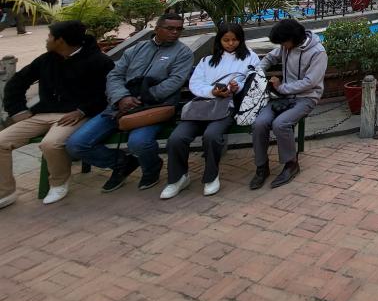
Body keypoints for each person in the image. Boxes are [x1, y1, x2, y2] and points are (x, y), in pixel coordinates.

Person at [66, 13, 193, 192]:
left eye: (179, 29)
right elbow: (115, 75)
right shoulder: (137, 49)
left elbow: (175, 81)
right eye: (170, 28)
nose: (175, 32)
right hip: (119, 107)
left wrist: (143, 98)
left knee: (139, 143)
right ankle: (122, 163)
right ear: (157, 29)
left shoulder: (182, 52)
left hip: (153, 108)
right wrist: (121, 97)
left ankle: (151, 168)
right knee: (76, 145)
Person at [0, 21, 113, 208]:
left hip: (75, 115)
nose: (47, 39)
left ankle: (59, 184)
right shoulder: (47, 59)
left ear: (60, 40)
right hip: (42, 113)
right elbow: (17, 82)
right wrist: (18, 110)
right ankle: (5, 192)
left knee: (50, 144)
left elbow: (106, 93)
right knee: (1, 141)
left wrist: (82, 110)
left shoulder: (99, 61)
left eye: (50, 36)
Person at [161, 23, 256, 199]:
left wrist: (236, 87)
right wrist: (212, 92)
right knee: (176, 138)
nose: (230, 44)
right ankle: (177, 178)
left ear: (241, 40)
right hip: (201, 107)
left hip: (227, 107)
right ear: (219, 40)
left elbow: (253, 79)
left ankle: (211, 176)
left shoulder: (250, 57)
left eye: (235, 39)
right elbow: (195, 83)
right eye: (226, 40)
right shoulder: (207, 61)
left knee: (211, 136)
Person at [250, 19, 326, 189]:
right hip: (282, 97)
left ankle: (291, 164)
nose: (282, 46)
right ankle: (262, 166)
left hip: (306, 97)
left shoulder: (318, 53)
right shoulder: (286, 46)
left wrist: (282, 87)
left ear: (294, 38)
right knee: (259, 123)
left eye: (284, 42)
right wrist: (258, 73)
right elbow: (270, 57)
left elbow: (310, 82)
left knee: (280, 124)